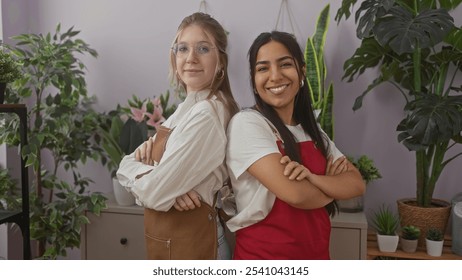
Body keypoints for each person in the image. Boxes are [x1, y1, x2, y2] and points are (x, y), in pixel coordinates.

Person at [225, 31, 366, 260]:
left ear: (302, 72)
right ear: (253, 79)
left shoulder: (312, 131)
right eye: (263, 68)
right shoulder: (248, 124)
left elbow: (356, 184)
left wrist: (313, 178)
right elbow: (296, 194)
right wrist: (333, 188)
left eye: (285, 64)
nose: (275, 76)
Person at [116, 12, 239, 260]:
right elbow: (124, 165)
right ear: (175, 57)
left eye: (203, 48)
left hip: (194, 247)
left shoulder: (206, 114)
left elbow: (152, 192)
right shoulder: (185, 109)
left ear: (221, 61)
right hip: (173, 244)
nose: (191, 58)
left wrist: (160, 186)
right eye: (183, 49)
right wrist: (167, 187)